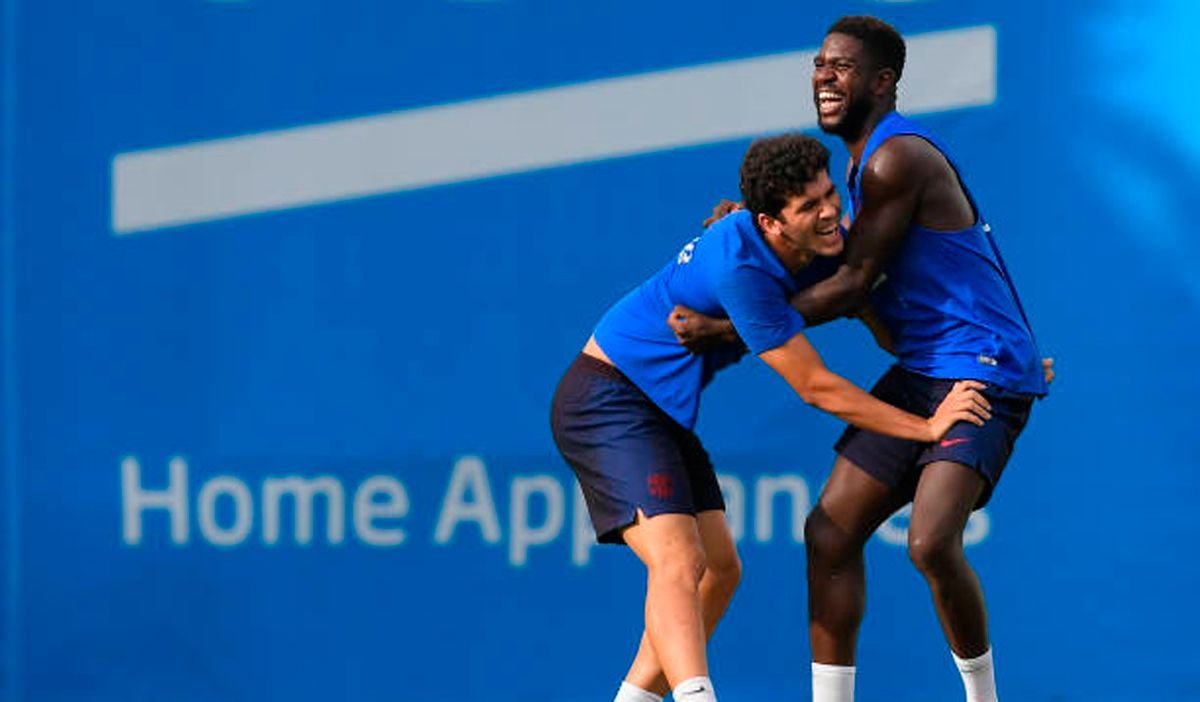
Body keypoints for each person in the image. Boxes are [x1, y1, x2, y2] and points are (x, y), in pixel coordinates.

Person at [668, 16, 1049, 702]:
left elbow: (851, 284)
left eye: (841, 67)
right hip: (924, 369)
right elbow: (844, 270)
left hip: (979, 370)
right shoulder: (860, 166)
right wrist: (760, 227)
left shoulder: (892, 159)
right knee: (829, 532)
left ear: (883, 82)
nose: (823, 76)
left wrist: (726, 326)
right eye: (819, 64)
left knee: (931, 543)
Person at [550, 133, 992, 702]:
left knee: (720, 571)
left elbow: (874, 314)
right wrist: (927, 428)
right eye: (809, 207)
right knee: (678, 559)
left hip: (656, 410)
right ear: (771, 222)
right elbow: (815, 385)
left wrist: (997, 358)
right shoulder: (740, 268)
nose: (831, 210)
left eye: (829, 193)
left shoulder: (822, 244)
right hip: (605, 401)